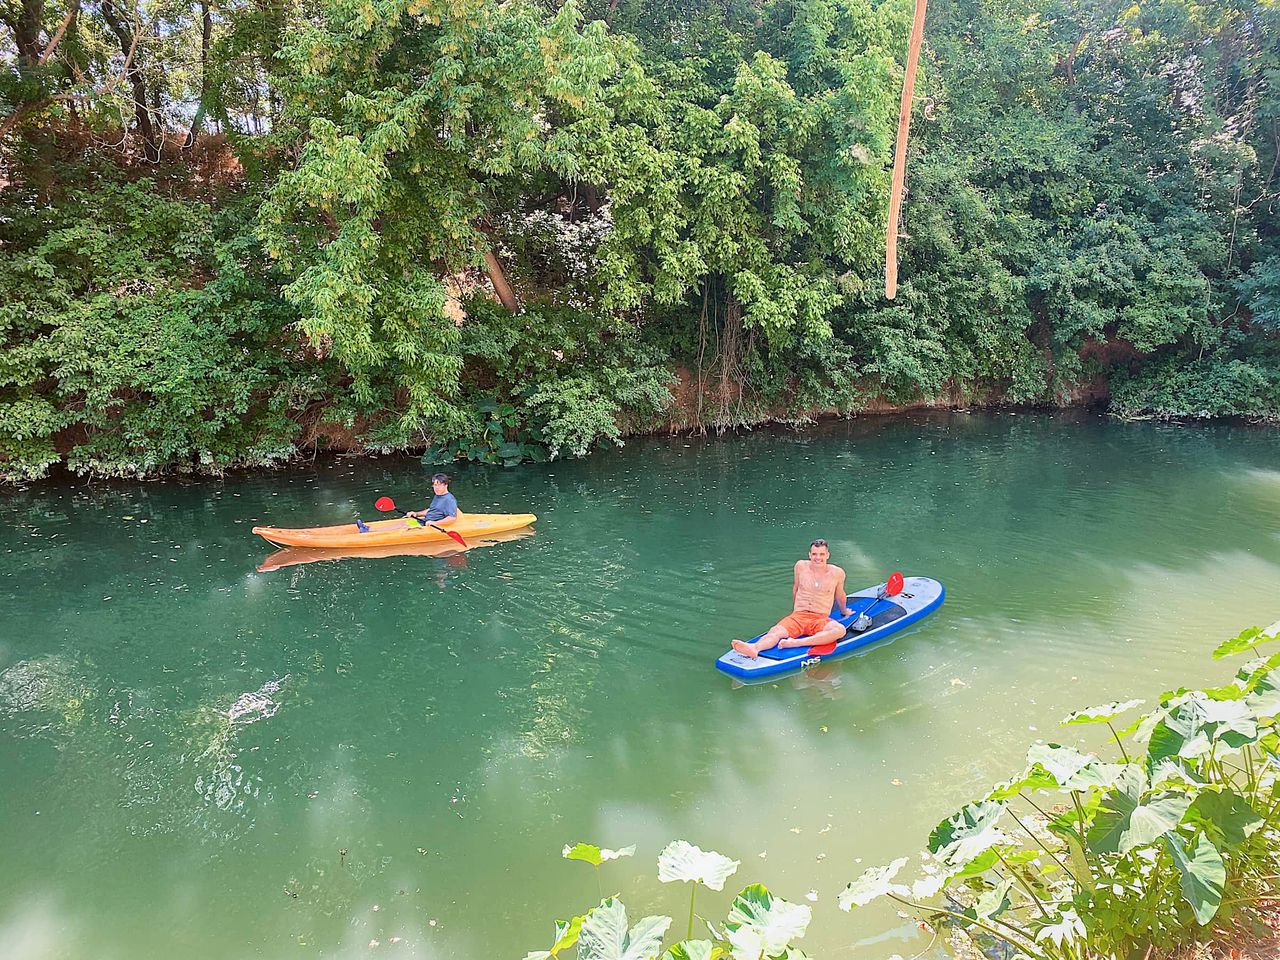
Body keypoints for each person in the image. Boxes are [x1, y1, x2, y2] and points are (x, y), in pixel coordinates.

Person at [732, 539, 852, 659]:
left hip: (820, 618)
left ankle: (796, 643)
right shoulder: (800, 566)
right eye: (814, 554)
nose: (818, 558)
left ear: (827, 555)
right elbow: (795, 589)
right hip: (798, 616)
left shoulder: (837, 573)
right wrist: (795, 612)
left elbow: (840, 595)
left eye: (821, 554)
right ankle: (755, 648)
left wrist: (844, 611)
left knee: (840, 630)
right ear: (809, 555)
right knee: (775, 631)